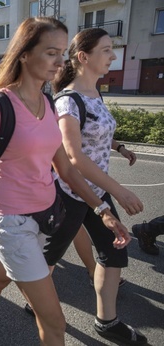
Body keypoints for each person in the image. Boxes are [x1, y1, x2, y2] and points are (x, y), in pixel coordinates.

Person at [0, 17, 131, 345]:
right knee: (54, 323)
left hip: (45, 216)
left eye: (62, 53)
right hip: (12, 222)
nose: (60, 62)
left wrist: (103, 209)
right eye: (51, 52)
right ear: (24, 54)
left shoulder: (48, 103)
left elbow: (65, 169)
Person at [39, 27, 147, 345]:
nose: (113, 56)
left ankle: (106, 321)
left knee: (114, 253)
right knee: (46, 261)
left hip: (95, 194)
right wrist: (119, 190)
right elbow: (73, 156)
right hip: (68, 195)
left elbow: (95, 131)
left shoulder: (94, 94)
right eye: (107, 50)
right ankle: (36, 300)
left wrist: (119, 147)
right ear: (84, 57)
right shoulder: (67, 102)